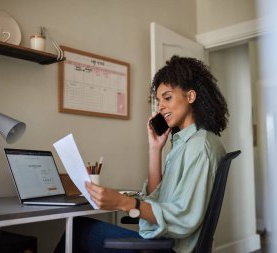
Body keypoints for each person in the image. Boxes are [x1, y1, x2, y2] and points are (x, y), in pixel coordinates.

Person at [54, 55, 229, 253]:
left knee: (79, 230)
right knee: (80, 228)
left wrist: (123, 202)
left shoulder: (200, 146)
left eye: (168, 97)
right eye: (158, 100)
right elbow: (158, 199)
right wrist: (155, 150)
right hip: (165, 242)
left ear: (190, 97)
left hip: (171, 248)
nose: (160, 106)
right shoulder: (185, 143)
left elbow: (183, 218)